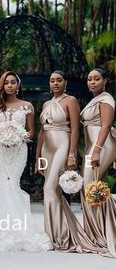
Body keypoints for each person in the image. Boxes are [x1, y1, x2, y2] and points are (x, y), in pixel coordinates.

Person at [0, 71, 52, 251]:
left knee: (12, 183)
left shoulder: (27, 106)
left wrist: (17, 136)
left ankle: (18, 228)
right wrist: (1, 137)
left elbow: (31, 132)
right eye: (6, 83)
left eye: (13, 82)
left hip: (19, 150)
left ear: (18, 86)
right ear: (2, 86)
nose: (10, 85)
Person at [36, 70, 102, 253]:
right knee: (52, 190)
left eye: (59, 80)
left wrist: (72, 154)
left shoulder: (71, 101)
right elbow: (42, 131)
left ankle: (60, 236)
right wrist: (37, 156)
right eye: (52, 81)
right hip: (46, 149)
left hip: (62, 146)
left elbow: (75, 130)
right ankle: (56, 233)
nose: (55, 84)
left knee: (49, 188)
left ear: (65, 82)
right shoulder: (46, 104)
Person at [80, 68, 116, 258]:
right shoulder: (94, 100)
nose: (92, 82)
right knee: (95, 189)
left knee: (90, 187)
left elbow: (106, 125)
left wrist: (97, 150)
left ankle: (100, 235)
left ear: (105, 81)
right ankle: (98, 232)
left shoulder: (106, 99)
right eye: (89, 79)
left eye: (96, 79)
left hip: (101, 146)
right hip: (92, 148)